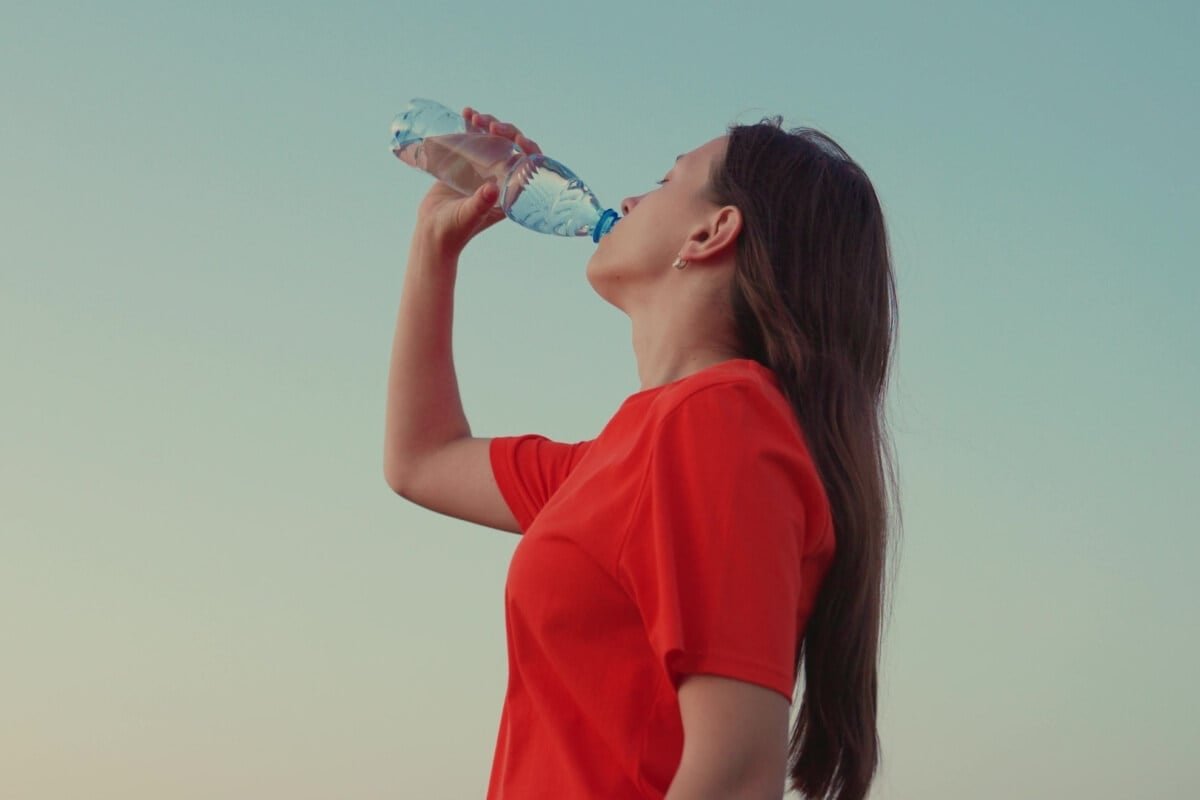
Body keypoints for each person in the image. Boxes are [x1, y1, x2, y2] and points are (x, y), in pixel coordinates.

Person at [383, 105, 901, 800]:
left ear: (712, 232)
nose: (627, 200)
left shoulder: (721, 422)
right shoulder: (641, 449)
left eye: (664, 180)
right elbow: (421, 460)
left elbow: (737, 773)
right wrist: (434, 241)